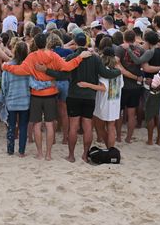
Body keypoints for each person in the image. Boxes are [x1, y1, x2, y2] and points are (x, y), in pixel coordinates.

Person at [3, 33, 89, 160]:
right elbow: (67, 67)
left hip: (36, 95)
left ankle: (39, 153)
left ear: (36, 44)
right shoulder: (53, 56)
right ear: (47, 43)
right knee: (49, 124)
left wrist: (5, 66)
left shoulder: (32, 57)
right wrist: (80, 57)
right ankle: (48, 154)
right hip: (50, 93)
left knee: (37, 124)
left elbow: (20, 70)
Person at [41, 33, 121, 163]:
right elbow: (106, 73)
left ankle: (71, 156)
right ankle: (84, 155)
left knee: (73, 126)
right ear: (87, 43)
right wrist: (118, 71)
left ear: (75, 43)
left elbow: (61, 75)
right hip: (89, 96)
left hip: (74, 95)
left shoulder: (72, 57)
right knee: (87, 126)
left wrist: (46, 70)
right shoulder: (95, 59)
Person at [1, 40, 32, 156]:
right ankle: (22, 151)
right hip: (25, 101)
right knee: (23, 126)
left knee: (11, 125)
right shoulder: (28, 67)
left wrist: (6, 96)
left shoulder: (8, 66)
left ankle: (10, 149)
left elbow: (4, 85)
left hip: (12, 100)